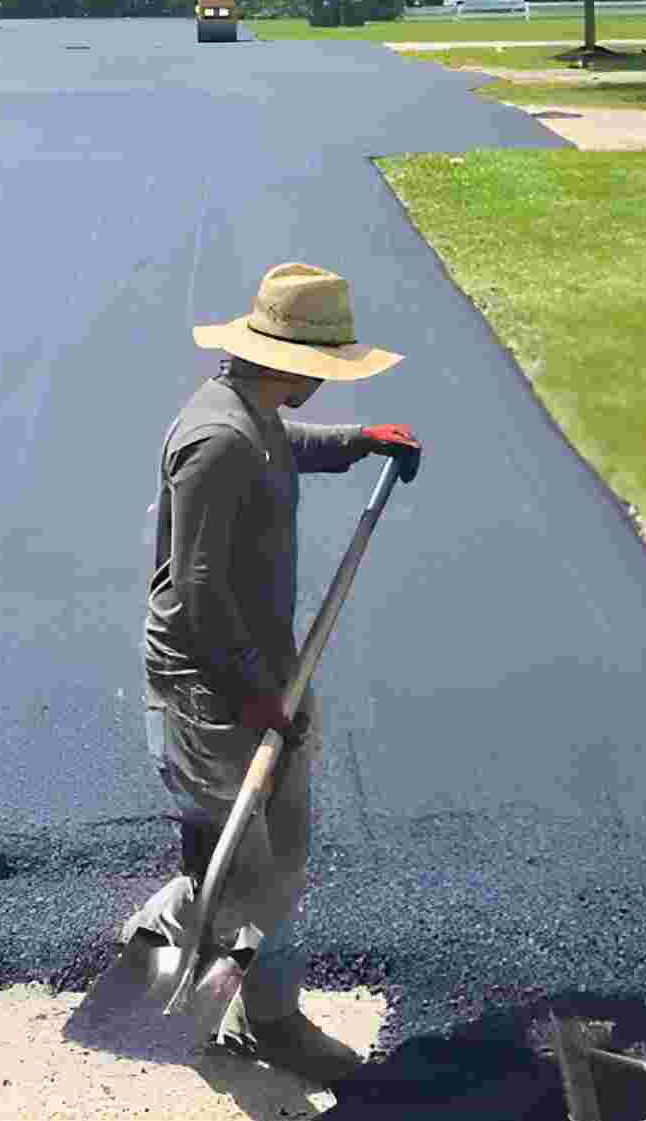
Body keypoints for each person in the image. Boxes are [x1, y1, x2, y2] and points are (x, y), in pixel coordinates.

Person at [123, 262, 422, 1081]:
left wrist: (358, 442)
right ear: (295, 358)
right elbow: (197, 591)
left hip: (256, 671)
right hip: (211, 689)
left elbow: (281, 448)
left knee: (269, 856)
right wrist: (254, 688)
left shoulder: (249, 413)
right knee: (243, 868)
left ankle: (213, 973)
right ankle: (263, 1015)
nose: (329, 379)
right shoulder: (218, 439)